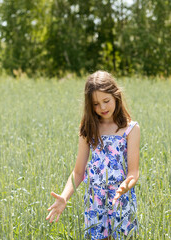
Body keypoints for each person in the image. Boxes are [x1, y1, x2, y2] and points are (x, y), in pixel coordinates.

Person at [46, 70, 140, 239]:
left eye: (106, 101)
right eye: (96, 104)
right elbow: (78, 172)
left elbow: (133, 172)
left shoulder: (131, 129)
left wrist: (126, 185)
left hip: (121, 197)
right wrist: (64, 198)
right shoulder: (89, 128)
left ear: (116, 96)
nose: (102, 107)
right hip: (95, 198)